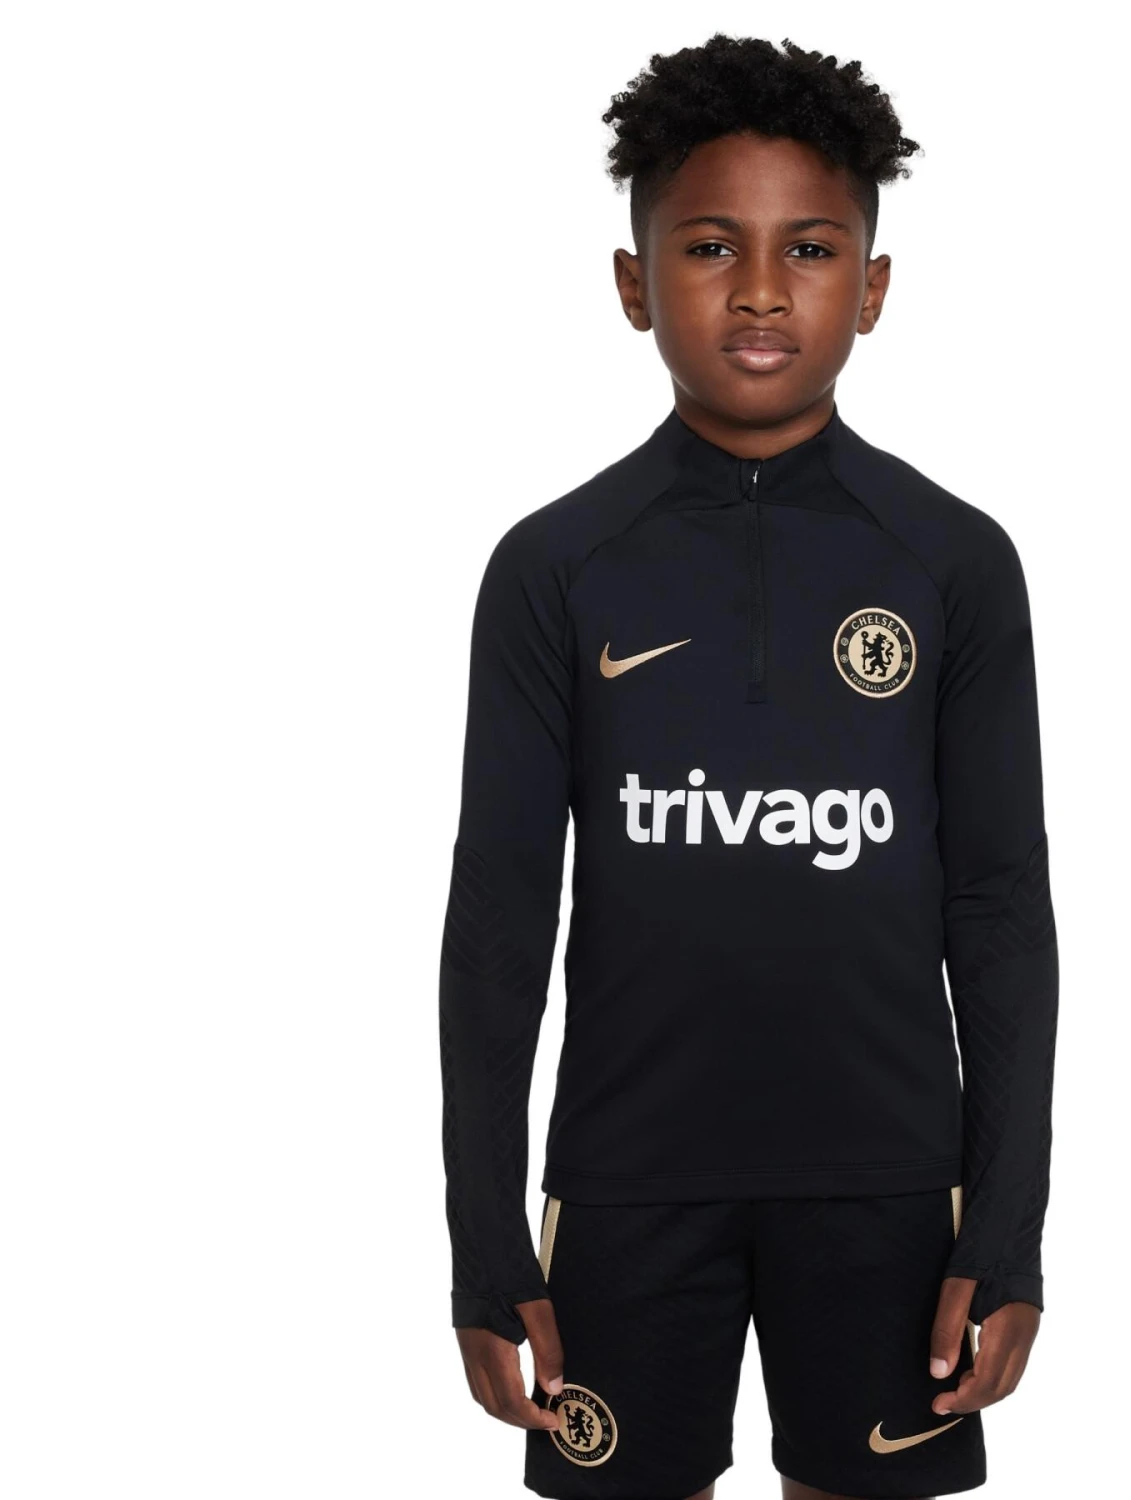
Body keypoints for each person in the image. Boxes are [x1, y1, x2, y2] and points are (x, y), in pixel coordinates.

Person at [438, 32, 1059, 1500]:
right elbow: (500, 918)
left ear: (874, 289)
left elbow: (999, 907)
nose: (764, 290)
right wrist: (482, 1238)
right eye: (712, 246)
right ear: (634, 281)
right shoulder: (555, 567)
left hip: (890, 1189)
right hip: (628, 1186)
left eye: (812, 250)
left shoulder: (954, 563)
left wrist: (1007, 1229)